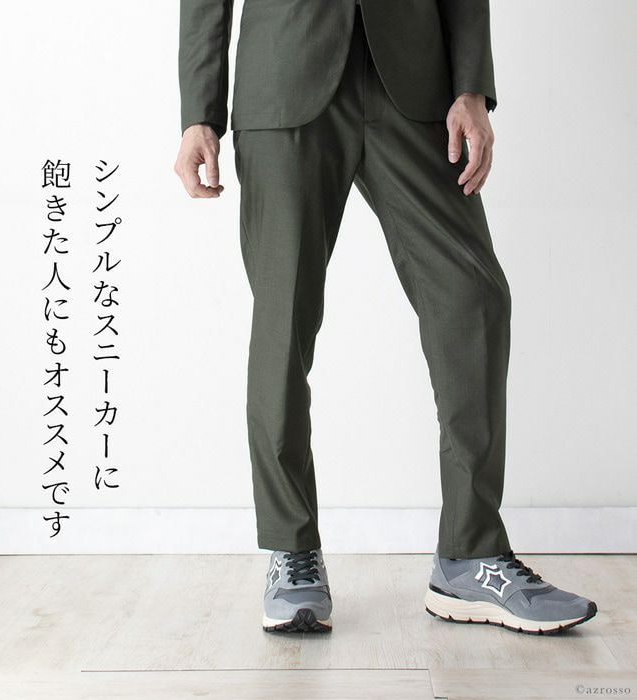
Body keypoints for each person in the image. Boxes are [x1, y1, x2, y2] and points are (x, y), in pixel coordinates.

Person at [175, 0, 597, 635]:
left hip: (413, 82)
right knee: (283, 324)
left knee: (473, 299)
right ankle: (292, 549)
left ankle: (470, 554)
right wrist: (199, 112)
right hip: (284, 78)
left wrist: (471, 85)